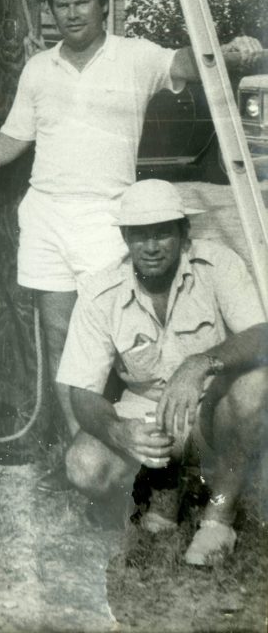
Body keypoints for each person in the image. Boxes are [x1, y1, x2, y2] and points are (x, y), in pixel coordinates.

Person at [0, 0, 263, 491]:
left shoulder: (134, 56)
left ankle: (154, 455)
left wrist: (229, 51)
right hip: (44, 216)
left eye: (81, 4)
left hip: (107, 216)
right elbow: (14, 139)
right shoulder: (39, 69)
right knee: (61, 335)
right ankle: (80, 452)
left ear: (103, 5)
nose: (70, 15)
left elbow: (186, 63)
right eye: (61, 7)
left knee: (116, 332)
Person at [57, 179, 267, 565]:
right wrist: (118, 431)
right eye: (139, 236)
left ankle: (219, 517)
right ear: (125, 237)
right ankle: (164, 497)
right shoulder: (100, 292)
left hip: (207, 413)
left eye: (162, 234)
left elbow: (260, 334)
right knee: (84, 466)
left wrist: (201, 362)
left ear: (183, 232)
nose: (151, 247)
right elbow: (82, 391)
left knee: (257, 385)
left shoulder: (217, 264)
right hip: (147, 419)